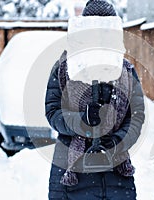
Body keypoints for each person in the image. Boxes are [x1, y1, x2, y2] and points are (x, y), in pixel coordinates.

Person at [45, 0, 145, 199]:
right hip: (71, 170)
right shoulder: (65, 68)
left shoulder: (124, 70)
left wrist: (116, 143)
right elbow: (53, 111)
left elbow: (136, 116)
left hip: (116, 170)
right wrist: (82, 121)